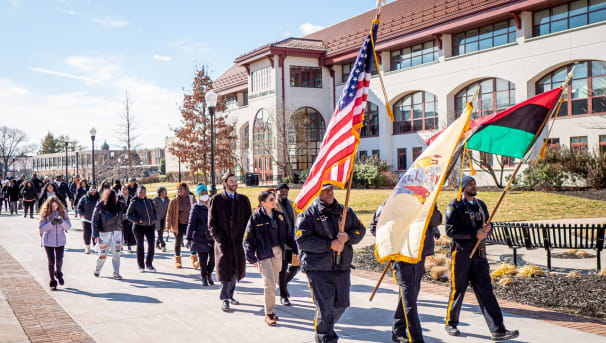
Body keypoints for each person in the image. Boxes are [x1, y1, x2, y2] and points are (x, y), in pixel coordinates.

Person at [444, 175, 519, 341]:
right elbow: (450, 231)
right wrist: (474, 234)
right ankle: (451, 323)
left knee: (486, 291)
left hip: (479, 256)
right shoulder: (454, 206)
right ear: (462, 187)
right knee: (458, 290)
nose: (474, 186)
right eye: (470, 184)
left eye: (474, 184)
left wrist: (487, 229)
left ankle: (498, 330)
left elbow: (486, 226)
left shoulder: (480, 205)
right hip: (462, 255)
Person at [296, 184, 366, 343]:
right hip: (317, 268)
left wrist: (348, 237)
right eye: (325, 190)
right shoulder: (309, 214)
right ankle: (326, 338)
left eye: (331, 190)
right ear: (317, 192)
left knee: (341, 305)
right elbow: (302, 240)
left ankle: (324, 330)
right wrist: (329, 245)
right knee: (325, 308)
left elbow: (360, 229)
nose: (329, 192)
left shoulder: (344, 211)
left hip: (341, 267)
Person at [369, 202, 442, 343]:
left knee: (410, 295)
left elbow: (437, 220)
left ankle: (398, 330)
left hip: (418, 254)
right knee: (409, 298)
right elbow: (375, 227)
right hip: (401, 255)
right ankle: (416, 338)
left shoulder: (427, 199)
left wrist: (430, 205)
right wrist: (391, 242)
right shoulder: (393, 201)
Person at [244, 190, 298, 326]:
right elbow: (248, 239)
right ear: (263, 203)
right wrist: (251, 257)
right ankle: (268, 313)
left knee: (273, 284)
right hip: (263, 254)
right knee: (269, 282)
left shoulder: (279, 217)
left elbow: (288, 236)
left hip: (278, 253)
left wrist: (296, 249)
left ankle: (272, 310)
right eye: (271, 200)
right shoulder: (256, 218)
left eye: (274, 199)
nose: (274, 201)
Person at [208, 172, 252, 312]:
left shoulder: (243, 200)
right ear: (225, 183)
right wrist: (219, 239)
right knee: (225, 271)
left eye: (235, 180)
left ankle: (230, 295)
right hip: (223, 242)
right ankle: (225, 298)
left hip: (238, 242)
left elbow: (249, 221)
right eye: (231, 181)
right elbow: (211, 223)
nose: (234, 183)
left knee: (235, 271)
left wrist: (246, 238)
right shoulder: (217, 200)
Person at [38, 195, 71, 290]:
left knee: (59, 260)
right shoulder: (45, 213)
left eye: (56, 205)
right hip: (48, 241)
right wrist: (52, 223)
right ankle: (52, 280)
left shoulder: (63, 212)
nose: (54, 207)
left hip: (60, 241)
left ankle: (58, 272)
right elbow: (41, 228)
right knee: (51, 262)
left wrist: (61, 222)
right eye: (52, 206)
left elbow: (68, 226)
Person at [274, 183, 299, 306]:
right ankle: (283, 296)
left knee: (297, 266)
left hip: (293, 241)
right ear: (276, 191)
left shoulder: (292, 204)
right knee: (282, 269)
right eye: (281, 190)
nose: (284, 192)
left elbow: (298, 219)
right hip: (280, 243)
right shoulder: (273, 204)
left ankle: (282, 283)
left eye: (286, 191)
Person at [92, 189, 124, 279]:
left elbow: (123, 217)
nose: (117, 198)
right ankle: (97, 269)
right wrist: (95, 234)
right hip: (104, 234)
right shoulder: (100, 206)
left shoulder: (120, 205)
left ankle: (116, 273)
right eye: (115, 197)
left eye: (117, 196)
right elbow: (94, 220)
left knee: (117, 254)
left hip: (117, 233)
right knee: (103, 255)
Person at [186, 184, 214, 286]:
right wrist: (188, 238)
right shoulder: (196, 207)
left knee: (213, 258)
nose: (204, 195)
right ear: (198, 195)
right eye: (202, 193)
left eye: (205, 193)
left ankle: (209, 273)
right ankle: (203, 277)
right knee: (203, 259)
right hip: (200, 236)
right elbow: (191, 223)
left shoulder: (212, 205)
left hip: (212, 237)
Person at [127, 185, 158, 272]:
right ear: (137, 192)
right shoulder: (134, 202)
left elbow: (155, 211)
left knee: (151, 245)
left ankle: (149, 264)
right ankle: (141, 266)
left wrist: (154, 218)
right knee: (140, 246)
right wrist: (138, 220)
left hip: (150, 226)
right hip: (138, 227)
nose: (142, 194)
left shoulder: (149, 201)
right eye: (140, 192)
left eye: (144, 193)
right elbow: (128, 215)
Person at [166, 182, 195, 268]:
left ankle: (195, 260)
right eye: (178, 189)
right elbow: (169, 214)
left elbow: (196, 210)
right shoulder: (174, 201)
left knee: (192, 241)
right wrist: (168, 226)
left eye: (181, 189)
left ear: (186, 190)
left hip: (188, 224)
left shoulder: (191, 199)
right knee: (178, 242)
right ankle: (178, 261)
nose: (179, 190)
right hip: (177, 225)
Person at [77, 185, 100, 254]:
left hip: (96, 219)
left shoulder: (99, 198)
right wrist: (82, 215)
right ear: (89, 190)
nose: (93, 192)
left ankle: (95, 247)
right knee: (87, 233)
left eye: (94, 190)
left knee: (95, 233)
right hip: (86, 219)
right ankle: (87, 247)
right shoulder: (84, 198)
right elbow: (79, 207)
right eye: (91, 190)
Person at [119, 185, 136, 253]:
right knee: (122, 232)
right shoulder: (119, 198)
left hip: (129, 217)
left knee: (130, 231)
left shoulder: (131, 197)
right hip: (121, 217)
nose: (124, 190)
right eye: (122, 189)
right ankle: (121, 245)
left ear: (127, 190)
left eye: (125, 189)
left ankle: (129, 246)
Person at [153, 186, 170, 252]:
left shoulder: (167, 200)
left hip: (164, 218)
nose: (166, 192)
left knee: (161, 232)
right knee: (159, 232)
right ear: (160, 192)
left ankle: (157, 244)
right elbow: (153, 209)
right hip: (157, 218)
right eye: (165, 191)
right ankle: (163, 245)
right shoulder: (155, 200)